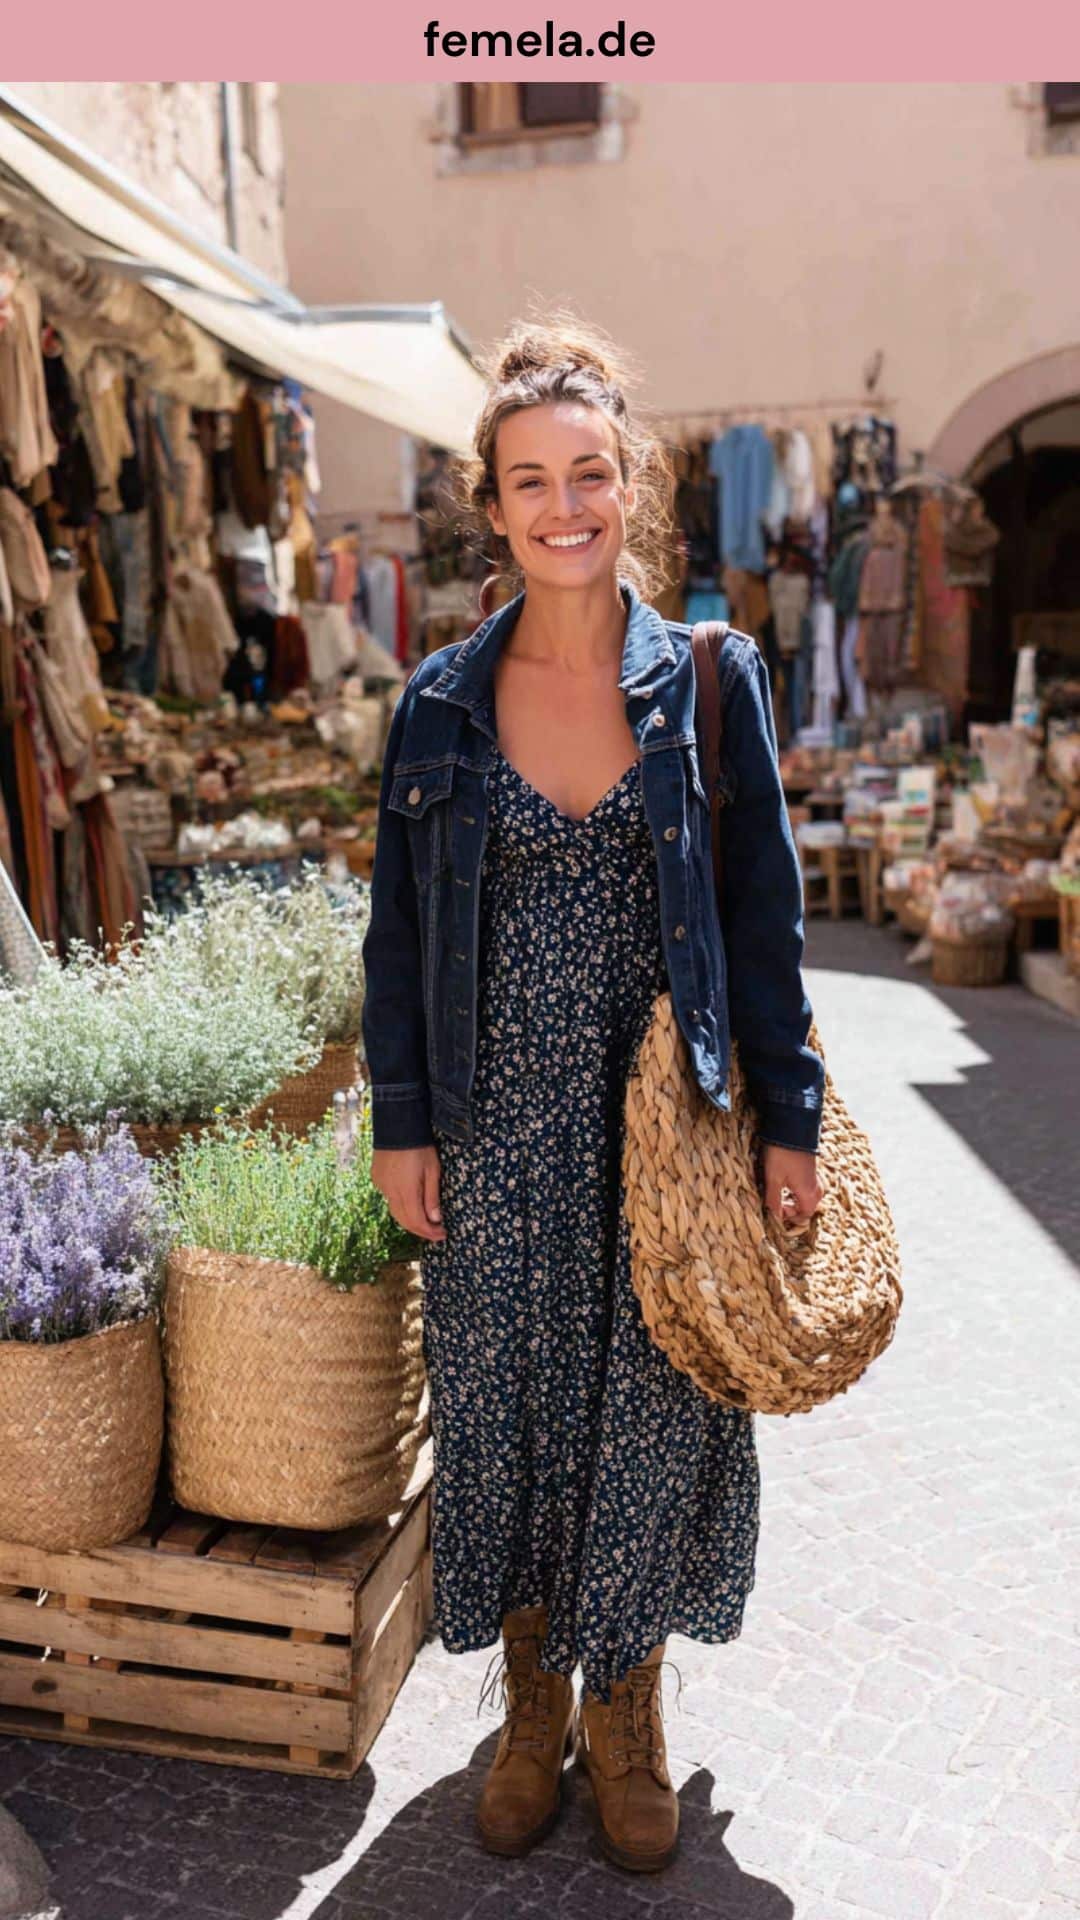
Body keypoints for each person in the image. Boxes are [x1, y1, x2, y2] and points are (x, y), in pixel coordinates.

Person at [361, 316, 825, 1874]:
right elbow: (396, 938)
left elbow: (766, 917)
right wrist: (402, 1118)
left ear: (631, 485)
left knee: (656, 1411)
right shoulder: (433, 704)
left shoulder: (710, 681)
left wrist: (791, 1120)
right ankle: (532, 1693)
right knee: (507, 1416)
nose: (562, 505)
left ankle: (629, 1708)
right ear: (489, 507)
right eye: (527, 480)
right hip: (495, 1134)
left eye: (589, 473)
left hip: (665, 1133)